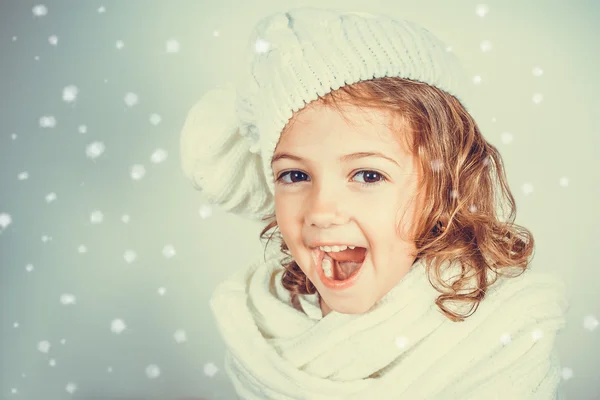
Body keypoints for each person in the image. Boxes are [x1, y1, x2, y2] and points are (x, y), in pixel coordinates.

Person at [179, 7, 569, 399]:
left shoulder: (500, 340)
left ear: (442, 187)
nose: (320, 211)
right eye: (295, 176)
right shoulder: (259, 336)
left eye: (368, 175)